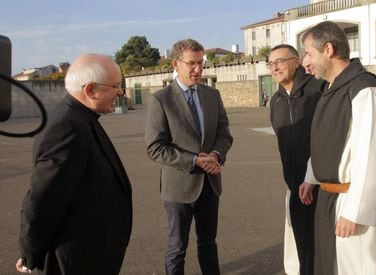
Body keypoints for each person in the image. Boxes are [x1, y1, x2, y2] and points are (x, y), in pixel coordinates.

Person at [16, 54, 133, 274]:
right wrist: (30, 254)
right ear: (90, 90)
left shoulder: (81, 118)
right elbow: (43, 198)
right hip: (76, 261)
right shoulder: (67, 127)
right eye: (116, 86)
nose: (120, 92)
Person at [300, 21, 376, 275]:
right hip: (328, 198)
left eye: (308, 53)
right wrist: (311, 177)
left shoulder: (364, 90)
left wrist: (356, 211)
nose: (305, 61)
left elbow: (371, 155)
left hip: (350, 202)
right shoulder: (331, 90)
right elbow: (324, 142)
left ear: (328, 49)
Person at [145, 39, 233, 275]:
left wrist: (216, 154)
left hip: (210, 184)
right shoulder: (161, 99)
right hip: (178, 186)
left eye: (201, 63)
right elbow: (155, 147)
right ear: (176, 63)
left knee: (208, 243)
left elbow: (224, 134)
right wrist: (194, 161)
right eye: (192, 64)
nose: (198, 69)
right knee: (177, 246)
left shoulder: (212, 95)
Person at [267, 44, 323, 275]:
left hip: (324, 186)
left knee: (327, 248)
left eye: (280, 61)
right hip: (295, 187)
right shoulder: (276, 101)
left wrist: (314, 176)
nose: (274, 67)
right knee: (304, 248)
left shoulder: (319, 89)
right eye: (270, 63)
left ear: (297, 61)